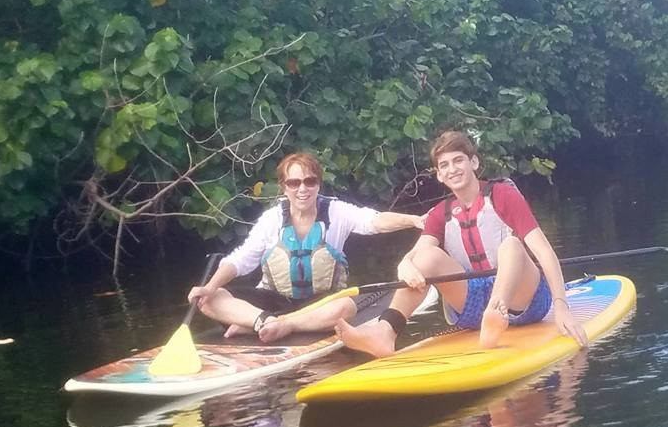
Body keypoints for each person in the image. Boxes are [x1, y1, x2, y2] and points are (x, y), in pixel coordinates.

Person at [336, 130, 588, 355]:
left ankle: (496, 313)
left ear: (473, 162)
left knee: (512, 246)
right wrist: (405, 264)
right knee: (425, 257)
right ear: (439, 175)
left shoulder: (503, 195)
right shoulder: (439, 214)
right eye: (444, 165)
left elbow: (544, 251)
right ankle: (385, 333)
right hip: (472, 306)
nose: (452, 169)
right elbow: (417, 256)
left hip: (524, 301)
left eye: (458, 160)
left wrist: (561, 307)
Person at [188, 152, 423, 343]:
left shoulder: (336, 211)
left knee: (345, 308)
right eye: (294, 183)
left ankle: (278, 324)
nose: (303, 189)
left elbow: (375, 221)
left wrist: (413, 220)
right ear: (284, 187)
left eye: (310, 181)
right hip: (273, 300)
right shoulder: (272, 219)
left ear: (318, 185)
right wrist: (209, 286)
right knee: (209, 299)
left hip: (319, 302)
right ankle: (263, 321)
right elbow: (241, 260)